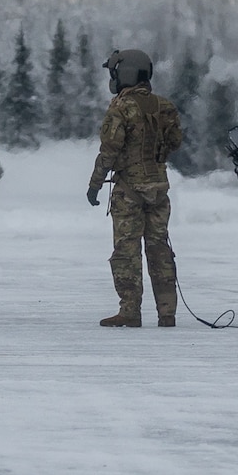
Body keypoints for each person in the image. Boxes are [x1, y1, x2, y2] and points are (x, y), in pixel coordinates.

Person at [87, 49, 185, 328]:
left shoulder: (121, 108)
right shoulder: (164, 105)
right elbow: (175, 140)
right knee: (159, 249)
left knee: (126, 250)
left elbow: (109, 150)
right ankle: (167, 312)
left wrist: (95, 184)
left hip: (129, 189)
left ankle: (130, 310)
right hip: (158, 188)